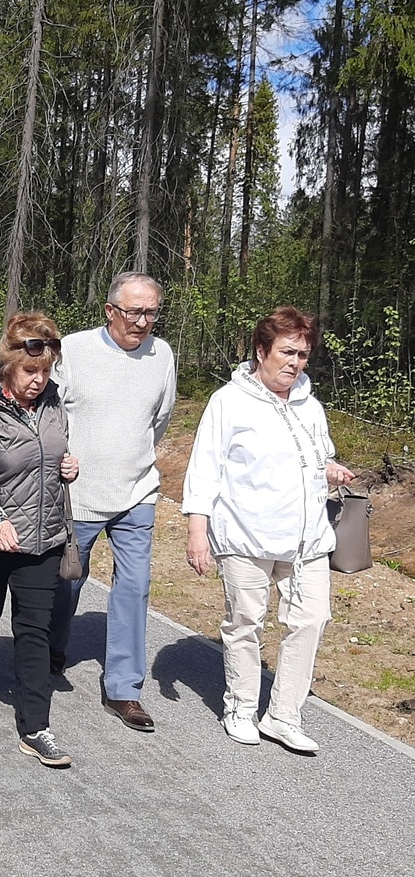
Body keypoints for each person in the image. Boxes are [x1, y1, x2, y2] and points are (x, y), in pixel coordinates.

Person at [182, 307, 354, 754]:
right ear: (261, 351)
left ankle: (283, 716)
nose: (295, 362)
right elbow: (203, 472)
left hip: (307, 541)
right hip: (246, 537)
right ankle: (240, 706)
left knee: (310, 621)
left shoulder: (310, 406)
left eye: (303, 354)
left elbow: (317, 455)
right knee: (244, 623)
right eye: (287, 352)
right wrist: (197, 532)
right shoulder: (229, 403)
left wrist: (331, 470)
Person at [48, 271, 175, 733]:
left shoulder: (162, 355)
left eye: (150, 312)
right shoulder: (75, 350)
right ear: (109, 311)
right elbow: (49, 413)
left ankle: (124, 688)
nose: (142, 322)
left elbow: (160, 418)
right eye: (133, 311)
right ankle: (51, 648)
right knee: (67, 581)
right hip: (78, 493)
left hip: (136, 491)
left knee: (135, 586)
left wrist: (133, 457)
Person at [0, 313, 80, 767]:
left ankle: (36, 725)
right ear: (9, 363)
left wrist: (69, 464)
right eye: (31, 371)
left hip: (43, 537)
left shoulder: (54, 402)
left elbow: (55, 450)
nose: (39, 379)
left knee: (34, 629)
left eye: (46, 371)